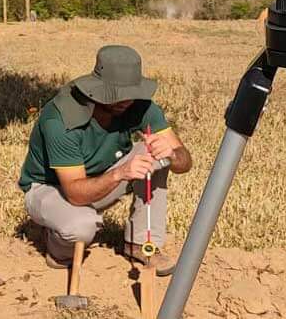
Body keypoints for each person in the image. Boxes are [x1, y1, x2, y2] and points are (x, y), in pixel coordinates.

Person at [18, 45, 192, 276]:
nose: (125, 100)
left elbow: (185, 162)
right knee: (82, 226)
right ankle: (56, 243)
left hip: (100, 181)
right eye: (116, 93)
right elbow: (75, 194)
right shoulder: (61, 118)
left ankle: (140, 243)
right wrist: (120, 173)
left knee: (154, 156)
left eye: (129, 92)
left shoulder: (141, 106)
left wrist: (171, 154)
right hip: (53, 189)